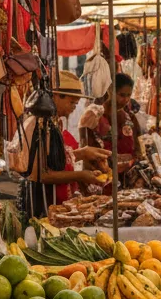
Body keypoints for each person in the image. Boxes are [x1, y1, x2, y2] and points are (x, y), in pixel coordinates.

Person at [27, 73, 110, 202]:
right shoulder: (40, 124)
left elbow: (55, 160)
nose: (73, 107)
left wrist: (83, 153)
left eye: (76, 104)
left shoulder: (55, 122)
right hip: (43, 200)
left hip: (59, 197)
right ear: (55, 96)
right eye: (71, 102)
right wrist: (80, 175)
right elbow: (43, 174)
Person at [80, 73, 143, 164]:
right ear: (110, 91)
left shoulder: (130, 117)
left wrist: (136, 158)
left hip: (128, 173)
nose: (126, 100)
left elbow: (138, 146)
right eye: (122, 95)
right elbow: (86, 149)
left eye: (128, 95)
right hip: (102, 173)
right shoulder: (94, 115)